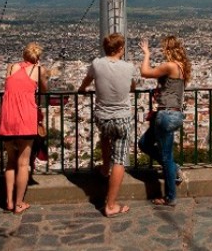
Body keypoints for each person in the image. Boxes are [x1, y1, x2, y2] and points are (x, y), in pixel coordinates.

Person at [78, 33, 136, 217]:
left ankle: (104, 168)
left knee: (105, 136)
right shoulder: (129, 67)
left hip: (102, 117)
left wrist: (81, 90)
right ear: (120, 49)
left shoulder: (96, 64)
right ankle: (110, 205)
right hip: (122, 117)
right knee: (119, 159)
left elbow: (86, 82)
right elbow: (132, 87)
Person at [0, 42, 50, 214]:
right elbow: (44, 90)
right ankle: (19, 203)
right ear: (38, 58)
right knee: (23, 163)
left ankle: (9, 201)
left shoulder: (11, 67)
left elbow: (10, 86)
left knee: (11, 161)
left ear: (23, 55)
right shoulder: (38, 70)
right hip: (26, 118)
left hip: (7, 118)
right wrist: (41, 72)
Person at [138, 35, 191, 207]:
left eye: (163, 49)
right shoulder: (183, 67)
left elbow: (145, 72)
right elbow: (171, 88)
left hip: (166, 115)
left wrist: (146, 54)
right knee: (144, 143)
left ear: (168, 49)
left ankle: (170, 196)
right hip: (175, 114)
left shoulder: (170, 65)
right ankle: (173, 168)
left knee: (166, 157)